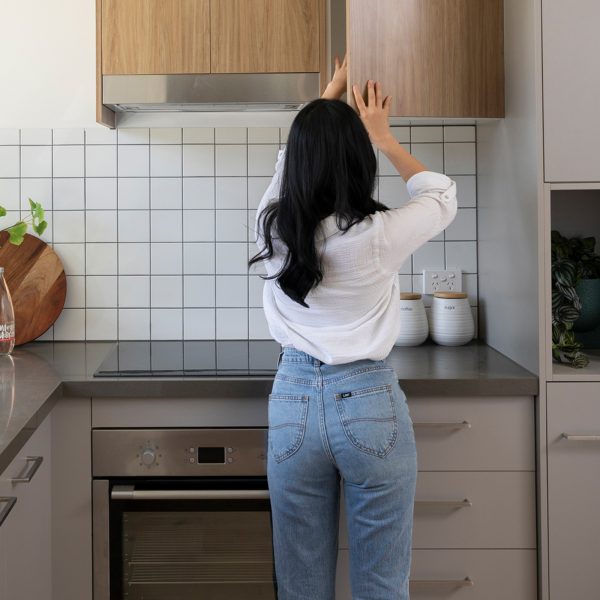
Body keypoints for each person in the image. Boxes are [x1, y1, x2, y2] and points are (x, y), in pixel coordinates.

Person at [249, 57, 458, 600]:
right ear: (358, 162)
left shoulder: (272, 223)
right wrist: (384, 137)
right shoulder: (378, 235)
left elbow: (284, 164)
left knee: (300, 584)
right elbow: (441, 197)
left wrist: (324, 100)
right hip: (368, 399)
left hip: (292, 399)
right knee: (382, 584)